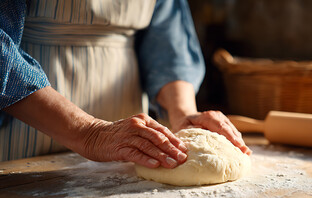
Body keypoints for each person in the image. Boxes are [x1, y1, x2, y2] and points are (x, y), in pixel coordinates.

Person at [0, 0, 251, 168]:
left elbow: (167, 37)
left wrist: (183, 115)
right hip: (23, 127)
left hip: (126, 139)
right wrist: (88, 133)